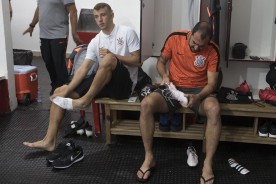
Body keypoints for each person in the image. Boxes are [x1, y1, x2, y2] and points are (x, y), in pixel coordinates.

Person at [23, 3, 140, 151]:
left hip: (125, 86)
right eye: (96, 17)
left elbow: (138, 60)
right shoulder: (95, 41)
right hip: (104, 81)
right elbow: (84, 69)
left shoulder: (127, 32)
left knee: (109, 59)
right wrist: (68, 89)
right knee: (59, 92)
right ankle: (49, 140)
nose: (100, 20)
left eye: (103, 15)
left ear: (112, 15)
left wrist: (114, 55)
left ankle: (85, 101)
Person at [136, 22, 221, 184]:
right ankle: (149, 157)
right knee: (146, 104)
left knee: (214, 109)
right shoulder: (175, 37)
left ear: (208, 42)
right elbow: (160, 62)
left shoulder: (213, 50)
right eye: (194, 43)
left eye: (201, 46)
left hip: (199, 90)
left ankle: (208, 164)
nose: (196, 48)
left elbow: (212, 84)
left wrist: (197, 97)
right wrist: (165, 76)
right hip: (173, 88)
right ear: (190, 34)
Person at [23, 0, 82, 95]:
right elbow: (39, 8)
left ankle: (65, 88)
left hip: (59, 33)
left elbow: (73, 11)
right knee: (48, 61)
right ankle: (55, 85)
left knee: (58, 62)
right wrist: (32, 25)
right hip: (44, 34)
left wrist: (74, 33)